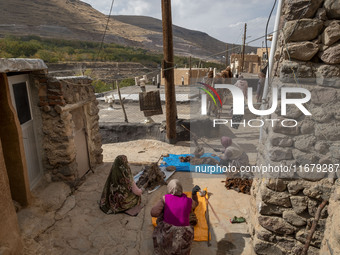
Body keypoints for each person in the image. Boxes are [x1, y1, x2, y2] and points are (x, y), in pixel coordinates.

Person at [151, 179, 200, 255]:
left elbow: (153, 213)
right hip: (184, 236)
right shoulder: (188, 201)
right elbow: (196, 204)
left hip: (167, 233)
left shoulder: (165, 198)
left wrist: (165, 208)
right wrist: (194, 194)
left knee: (161, 215)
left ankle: (164, 248)